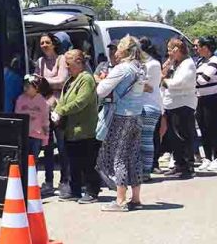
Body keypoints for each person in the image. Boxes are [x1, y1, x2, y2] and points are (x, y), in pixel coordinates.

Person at [96, 36, 146, 212]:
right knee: (134, 155)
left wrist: (102, 80)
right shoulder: (140, 68)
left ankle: (120, 200)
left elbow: (101, 91)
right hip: (137, 115)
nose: (115, 51)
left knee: (119, 157)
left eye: (118, 48)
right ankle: (136, 198)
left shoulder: (122, 68)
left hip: (121, 116)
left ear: (124, 51)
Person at [52, 49, 99, 203]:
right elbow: (65, 100)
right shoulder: (71, 79)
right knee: (73, 163)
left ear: (79, 61)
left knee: (87, 163)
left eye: (68, 61)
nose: (65, 65)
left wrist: (60, 110)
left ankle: (92, 192)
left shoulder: (86, 79)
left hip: (84, 129)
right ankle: (75, 190)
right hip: (70, 130)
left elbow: (81, 102)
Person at [35, 33, 71, 194]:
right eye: (41, 42)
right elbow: (36, 84)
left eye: (47, 42)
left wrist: (43, 82)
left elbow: (62, 81)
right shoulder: (40, 62)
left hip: (59, 109)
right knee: (47, 147)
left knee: (63, 146)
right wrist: (45, 83)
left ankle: (65, 181)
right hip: (44, 109)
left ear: (54, 44)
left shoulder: (61, 59)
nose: (44, 45)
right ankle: (48, 182)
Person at [160, 38, 198, 179]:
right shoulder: (174, 64)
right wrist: (169, 62)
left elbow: (179, 83)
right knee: (173, 138)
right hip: (170, 104)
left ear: (177, 49)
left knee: (183, 136)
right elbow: (163, 74)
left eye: (171, 49)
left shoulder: (188, 64)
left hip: (183, 104)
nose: (168, 52)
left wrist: (163, 81)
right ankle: (178, 164)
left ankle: (188, 166)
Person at [195, 36, 217, 171]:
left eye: (198, 46)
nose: (196, 49)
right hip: (200, 99)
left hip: (213, 99)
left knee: (212, 128)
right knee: (203, 129)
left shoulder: (214, 60)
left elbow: (203, 80)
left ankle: (216, 159)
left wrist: (189, 81)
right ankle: (207, 158)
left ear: (205, 48)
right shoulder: (201, 61)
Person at [138, 37, 163, 180]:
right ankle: (142, 168)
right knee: (140, 140)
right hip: (141, 105)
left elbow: (148, 87)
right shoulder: (142, 64)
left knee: (146, 139)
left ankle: (146, 170)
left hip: (150, 105)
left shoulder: (153, 64)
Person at [16, 75, 50, 159]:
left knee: (34, 160)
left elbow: (45, 121)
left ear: (36, 88)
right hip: (24, 134)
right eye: (25, 86)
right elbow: (17, 115)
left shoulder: (42, 101)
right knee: (22, 158)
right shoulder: (20, 99)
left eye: (28, 86)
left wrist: (45, 139)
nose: (25, 88)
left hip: (37, 136)